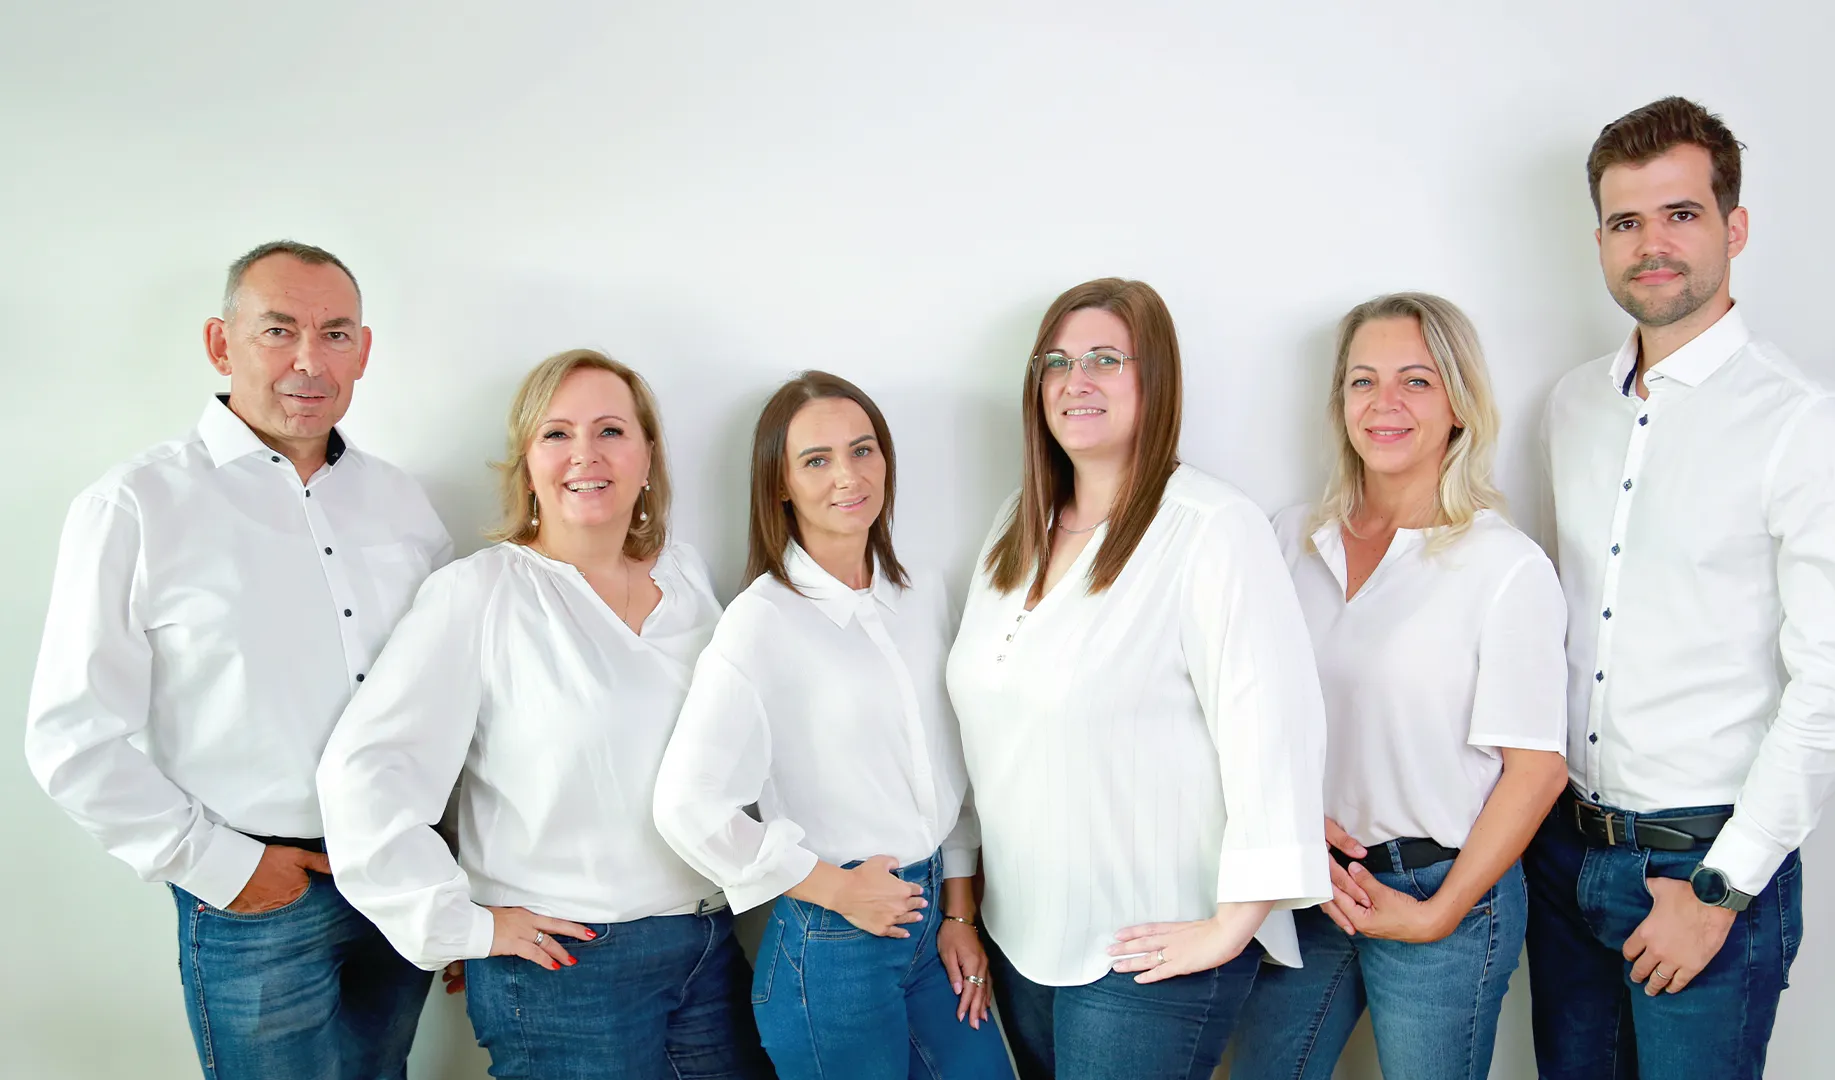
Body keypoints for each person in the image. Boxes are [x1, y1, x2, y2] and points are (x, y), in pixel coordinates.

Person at [24, 241, 450, 1079]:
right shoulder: (136, 505)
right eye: (278, 330)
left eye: (334, 333)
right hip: (258, 898)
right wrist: (227, 868)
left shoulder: (401, 500)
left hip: (400, 872)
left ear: (363, 351)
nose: (308, 360)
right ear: (221, 345)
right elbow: (70, 739)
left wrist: (454, 871)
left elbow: (449, 700)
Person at [1528, 96, 1835, 1079]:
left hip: (1707, 869)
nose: (1652, 245)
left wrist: (1721, 890)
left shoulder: (1806, 426)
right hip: (1565, 856)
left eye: (1680, 215)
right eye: (1625, 221)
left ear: (1734, 227)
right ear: (1599, 238)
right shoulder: (1570, 408)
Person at [315, 349, 770, 1080]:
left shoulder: (685, 578)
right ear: (526, 464)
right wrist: (461, 925)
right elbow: (365, 771)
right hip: (569, 968)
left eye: (611, 431)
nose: (584, 455)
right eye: (556, 434)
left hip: (708, 946)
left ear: (648, 456)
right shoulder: (480, 592)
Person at [943, 278, 1329, 1080]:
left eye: (1104, 360)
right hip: (1025, 936)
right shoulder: (1010, 532)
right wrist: (967, 899)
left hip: (1150, 943)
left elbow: (1275, 733)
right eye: (1056, 361)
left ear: (1154, 381)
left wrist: (1231, 926)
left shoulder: (1212, 529)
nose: (1074, 380)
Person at [1231, 293, 1567, 1080]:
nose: (1384, 404)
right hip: (1310, 878)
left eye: (1415, 381)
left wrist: (1437, 914)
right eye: (1362, 381)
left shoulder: (1504, 567)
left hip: (1441, 885)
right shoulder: (1285, 537)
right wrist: (1288, 825)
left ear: (1458, 404)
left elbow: (1537, 769)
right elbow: (1245, 710)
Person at [654, 371, 1015, 1080]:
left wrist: (959, 913)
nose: (847, 476)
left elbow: (951, 768)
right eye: (816, 460)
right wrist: (832, 885)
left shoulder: (920, 592)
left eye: (863, 450)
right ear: (779, 484)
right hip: (835, 942)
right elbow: (685, 807)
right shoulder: (761, 623)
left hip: (929, 920)